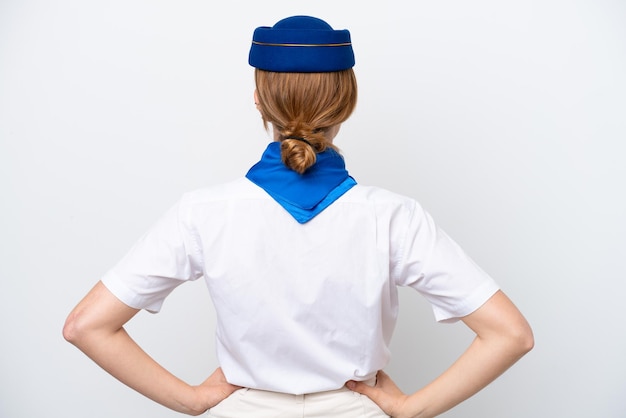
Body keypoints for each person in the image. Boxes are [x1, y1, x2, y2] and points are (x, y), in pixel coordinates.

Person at [63, 15, 533, 418]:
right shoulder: (393, 217)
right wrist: (411, 409)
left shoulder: (202, 213)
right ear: (347, 103)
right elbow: (510, 335)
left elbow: (86, 325)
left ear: (257, 98)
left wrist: (192, 400)